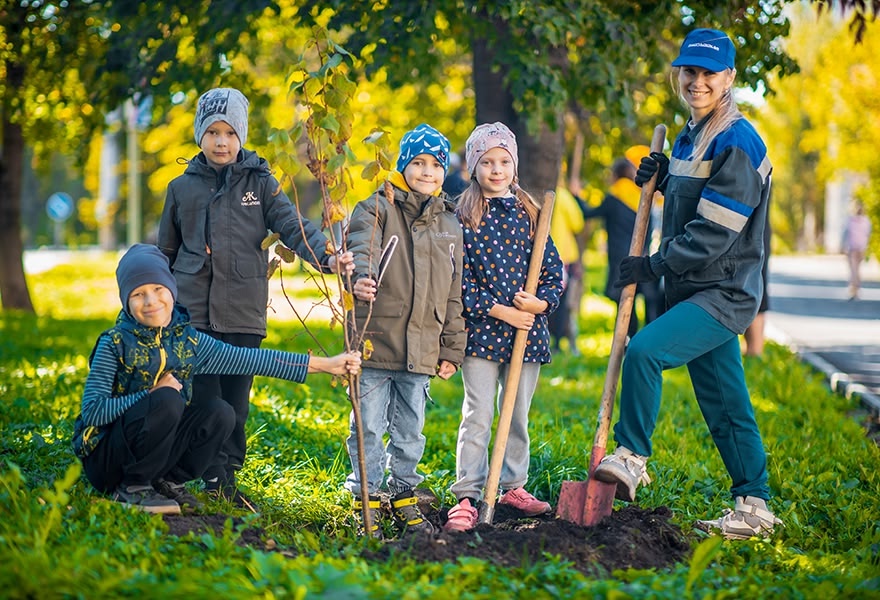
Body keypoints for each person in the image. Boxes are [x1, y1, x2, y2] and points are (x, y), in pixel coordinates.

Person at [591, 29, 783, 540]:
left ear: (730, 78)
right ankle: (754, 505)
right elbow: (685, 203)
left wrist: (653, 266)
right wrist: (661, 176)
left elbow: (716, 230)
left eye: (709, 73)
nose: (697, 82)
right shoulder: (689, 135)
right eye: (689, 72)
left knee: (645, 351)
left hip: (723, 291)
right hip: (694, 288)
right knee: (724, 401)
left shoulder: (738, 139)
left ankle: (631, 455)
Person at [157, 87, 354, 508]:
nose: (221, 141)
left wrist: (327, 256)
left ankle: (227, 478)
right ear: (200, 136)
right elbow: (165, 254)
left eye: (229, 132)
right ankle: (205, 472)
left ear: (241, 135)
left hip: (243, 309)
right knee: (205, 400)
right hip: (193, 315)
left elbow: (291, 224)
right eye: (212, 132)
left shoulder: (261, 183)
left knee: (236, 403)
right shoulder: (180, 188)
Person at [72, 244, 361, 515]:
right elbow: (93, 411)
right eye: (138, 294)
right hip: (108, 460)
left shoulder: (188, 341)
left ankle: (167, 482)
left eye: (158, 288)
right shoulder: (115, 343)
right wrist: (149, 395)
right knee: (167, 399)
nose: (151, 301)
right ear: (126, 301)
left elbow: (252, 359)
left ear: (171, 289)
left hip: (150, 450)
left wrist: (327, 365)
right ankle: (131, 489)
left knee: (220, 412)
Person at [346, 123, 466, 537]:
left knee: (411, 430)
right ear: (402, 165)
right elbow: (361, 246)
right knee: (369, 426)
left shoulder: (450, 224)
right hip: (376, 341)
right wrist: (359, 276)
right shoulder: (377, 207)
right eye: (418, 162)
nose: (428, 171)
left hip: (422, 347)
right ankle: (366, 495)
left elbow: (454, 292)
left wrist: (451, 349)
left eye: (436, 164)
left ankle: (403, 492)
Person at [444, 122, 564, 532]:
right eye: (487, 162)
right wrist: (502, 311)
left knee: (516, 413)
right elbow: (459, 283)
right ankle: (467, 494)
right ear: (474, 166)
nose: (496, 170)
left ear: (515, 166)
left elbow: (553, 272)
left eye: (504, 162)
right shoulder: (462, 217)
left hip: (526, 336)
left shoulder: (531, 214)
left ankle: (512, 484)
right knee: (477, 412)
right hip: (482, 333)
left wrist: (541, 302)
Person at [580, 147, 665, 339]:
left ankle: (628, 339)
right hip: (642, 256)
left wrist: (578, 196)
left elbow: (589, 213)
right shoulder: (642, 197)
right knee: (648, 300)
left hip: (620, 257)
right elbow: (650, 227)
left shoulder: (613, 197)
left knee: (626, 301)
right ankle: (651, 338)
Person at [548, 185, 585, 355]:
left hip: (547, 255)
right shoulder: (562, 195)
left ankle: (554, 340)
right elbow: (578, 223)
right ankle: (558, 341)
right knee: (562, 303)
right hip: (563, 256)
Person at [744, 216, 771, 356]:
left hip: (754, 230)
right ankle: (753, 351)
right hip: (755, 229)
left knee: (754, 287)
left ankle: (755, 351)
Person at [843, 202, 872, 300]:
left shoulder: (850, 220)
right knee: (858, 269)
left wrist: (844, 246)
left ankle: (853, 290)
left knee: (853, 270)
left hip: (852, 248)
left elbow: (846, 234)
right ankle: (857, 289)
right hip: (862, 248)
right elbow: (868, 234)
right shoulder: (866, 221)